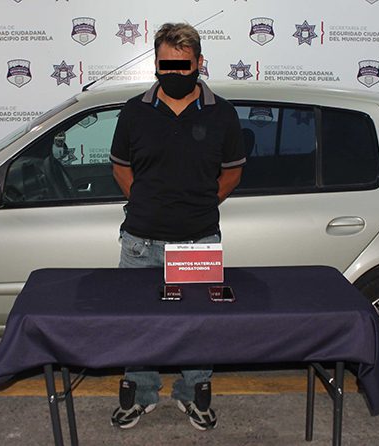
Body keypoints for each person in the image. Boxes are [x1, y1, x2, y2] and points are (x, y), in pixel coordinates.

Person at [108, 22, 246, 431]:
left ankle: (193, 392)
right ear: (155, 64)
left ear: (199, 63)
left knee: (198, 323)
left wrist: (197, 205)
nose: (174, 73)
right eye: (166, 65)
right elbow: (120, 167)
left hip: (198, 242)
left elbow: (232, 173)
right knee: (138, 323)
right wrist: (148, 204)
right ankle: (140, 393)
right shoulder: (135, 111)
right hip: (140, 242)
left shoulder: (222, 113)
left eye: (182, 66)